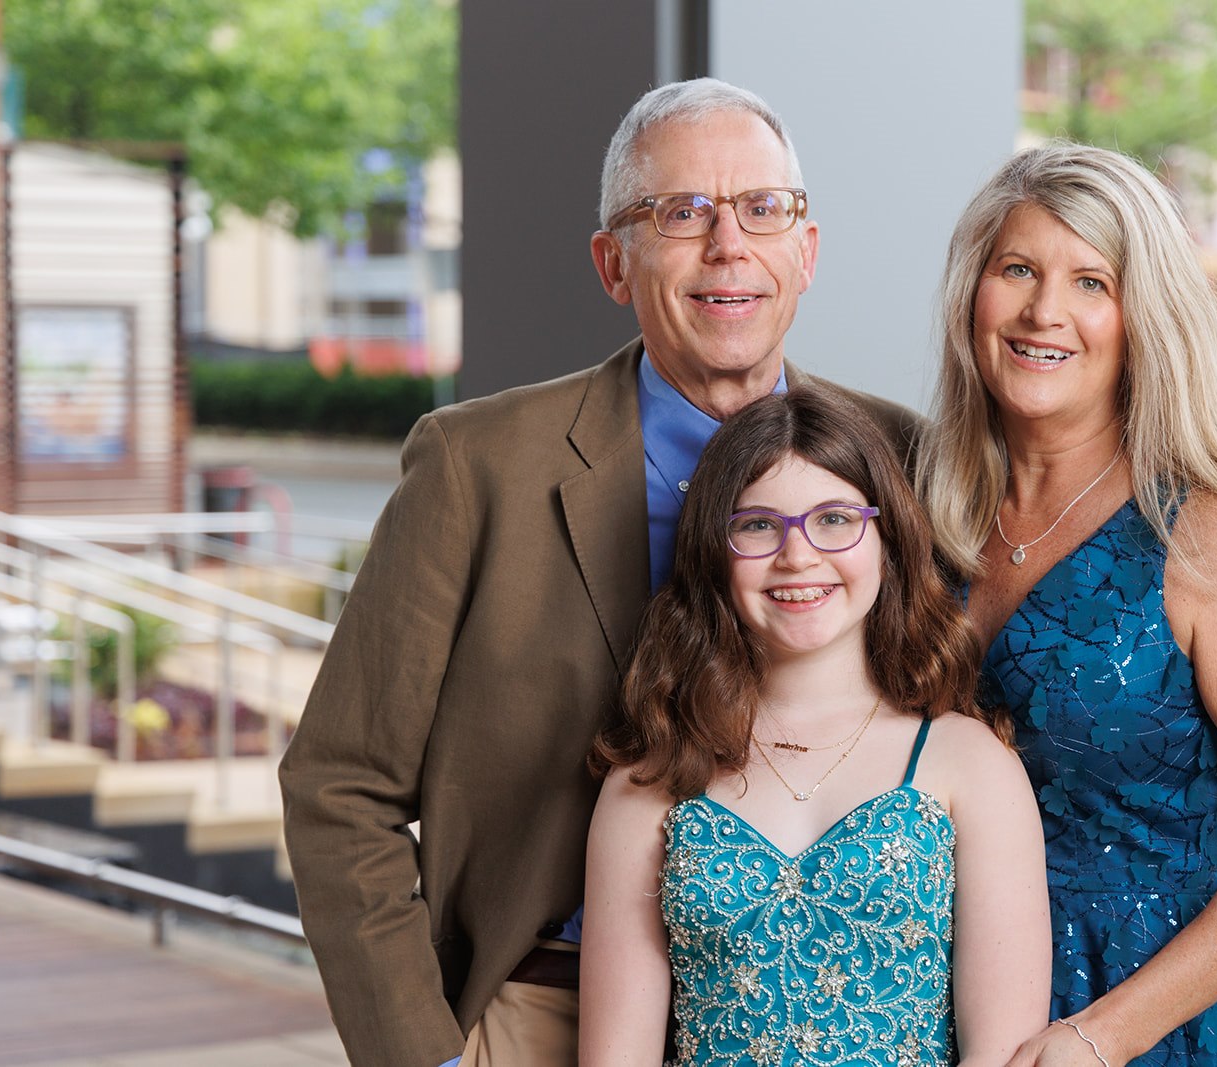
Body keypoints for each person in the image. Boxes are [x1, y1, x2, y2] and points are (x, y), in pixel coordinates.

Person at [278, 79, 916, 1067]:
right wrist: (423, 1054)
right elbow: (339, 784)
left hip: (826, 1018)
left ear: (807, 250)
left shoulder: (902, 460)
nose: (728, 245)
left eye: (762, 208)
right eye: (681, 213)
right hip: (546, 1009)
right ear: (613, 263)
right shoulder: (477, 467)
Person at [916, 142, 1217, 1066]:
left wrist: (1101, 1035)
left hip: (1146, 1030)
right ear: (971, 294)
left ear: (1143, 315)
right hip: (935, 1011)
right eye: (1018, 269)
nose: (1045, 311)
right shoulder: (926, 512)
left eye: (1092, 282)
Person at [580, 386, 1051, 1067]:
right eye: (757, 525)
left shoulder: (970, 763)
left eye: (834, 519)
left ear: (888, 541)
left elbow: (1002, 1054)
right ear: (714, 550)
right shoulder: (651, 774)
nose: (797, 556)